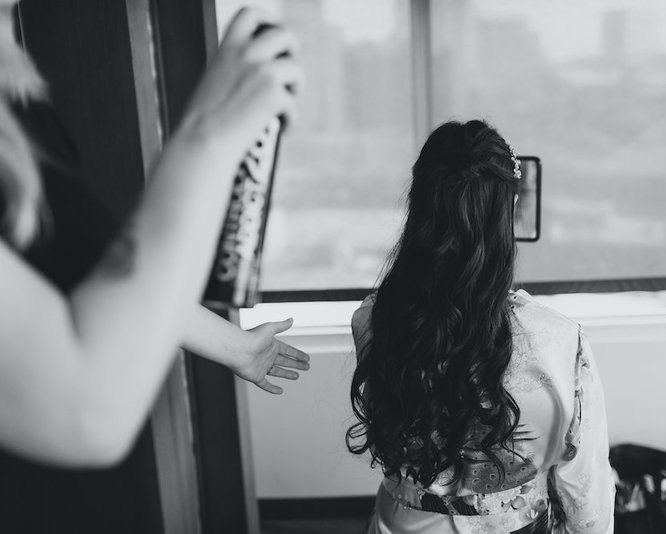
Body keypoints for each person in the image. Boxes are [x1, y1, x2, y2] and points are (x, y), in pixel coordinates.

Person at [0, 2, 307, 470]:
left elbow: (94, 271)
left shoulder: (16, 97)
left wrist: (234, 345)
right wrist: (208, 134)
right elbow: (88, 414)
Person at [348, 120, 614, 533]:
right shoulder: (559, 340)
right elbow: (586, 488)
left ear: (418, 209)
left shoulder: (373, 320)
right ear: (506, 214)